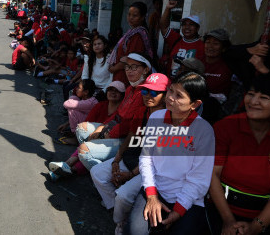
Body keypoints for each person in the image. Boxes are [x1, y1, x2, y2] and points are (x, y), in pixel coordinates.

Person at [208, 74, 270, 235]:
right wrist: (228, 221)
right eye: (251, 94)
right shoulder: (225, 127)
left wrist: (255, 228)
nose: (253, 101)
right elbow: (212, 175)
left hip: (263, 216)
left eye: (264, 97)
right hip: (220, 208)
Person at [127, 72, 215, 234]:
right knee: (135, 231)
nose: (170, 98)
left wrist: (179, 211)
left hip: (188, 198)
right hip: (156, 188)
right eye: (171, 91)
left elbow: (199, 178)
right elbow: (146, 159)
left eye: (179, 95)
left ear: (194, 104)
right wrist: (152, 196)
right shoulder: (156, 117)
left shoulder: (204, 131)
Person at [90, 73, 170, 234]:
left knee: (123, 196)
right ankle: (120, 212)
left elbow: (156, 157)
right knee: (97, 173)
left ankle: (120, 220)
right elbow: (131, 136)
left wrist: (131, 174)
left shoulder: (169, 119)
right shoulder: (142, 110)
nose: (148, 96)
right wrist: (116, 160)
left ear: (166, 95)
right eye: (145, 91)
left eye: (154, 93)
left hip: (151, 167)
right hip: (133, 157)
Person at [76, 53, 151, 170]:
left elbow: (131, 126)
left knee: (84, 151)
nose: (129, 71)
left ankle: (102, 171)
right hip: (115, 129)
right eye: (127, 67)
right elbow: (118, 114)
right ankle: (91, 163)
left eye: (134, 67)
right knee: (82, 129)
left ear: (146, 70)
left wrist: (110, 133)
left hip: (126, 139)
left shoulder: (145, 93)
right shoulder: (130, 89)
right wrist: (101, 127)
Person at [48, 81, 126, 181]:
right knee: (85, 142)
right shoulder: (100, 106)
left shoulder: (122, 110)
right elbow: (87, 123)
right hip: (94, 136)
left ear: (122, 95)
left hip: (109, 140)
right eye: (111, 90)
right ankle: (65, 168)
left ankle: (67, 167)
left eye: (117, 91)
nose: (113, 93)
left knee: (86, 150)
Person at [108, 2, 154, 86]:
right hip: (120, 74)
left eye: (134, 16)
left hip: (126, 76)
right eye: (129, 14)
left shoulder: (138, 35)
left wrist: (113, 68)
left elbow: (131, 60)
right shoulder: (131, 32)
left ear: (142, 17)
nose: (130, 18)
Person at [159, 0, 205, 78]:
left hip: (188, 86)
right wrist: (168, 8)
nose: (187, 27)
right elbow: (163, 27)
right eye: (184, 24)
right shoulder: (176, 39)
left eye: (191, 24)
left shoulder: (203, 46)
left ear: (197, 28)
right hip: (171, 84)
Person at [56, 79, 97, 145]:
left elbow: (66, 104)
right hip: (86, 121)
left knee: (73, 109)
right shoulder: (85, 99)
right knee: (74, 98)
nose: (76, 89)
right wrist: (66, 124)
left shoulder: (90, 103)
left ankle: (76, 138)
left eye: (79, 88)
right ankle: (74, 132)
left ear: (86, 92)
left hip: (90, 126)